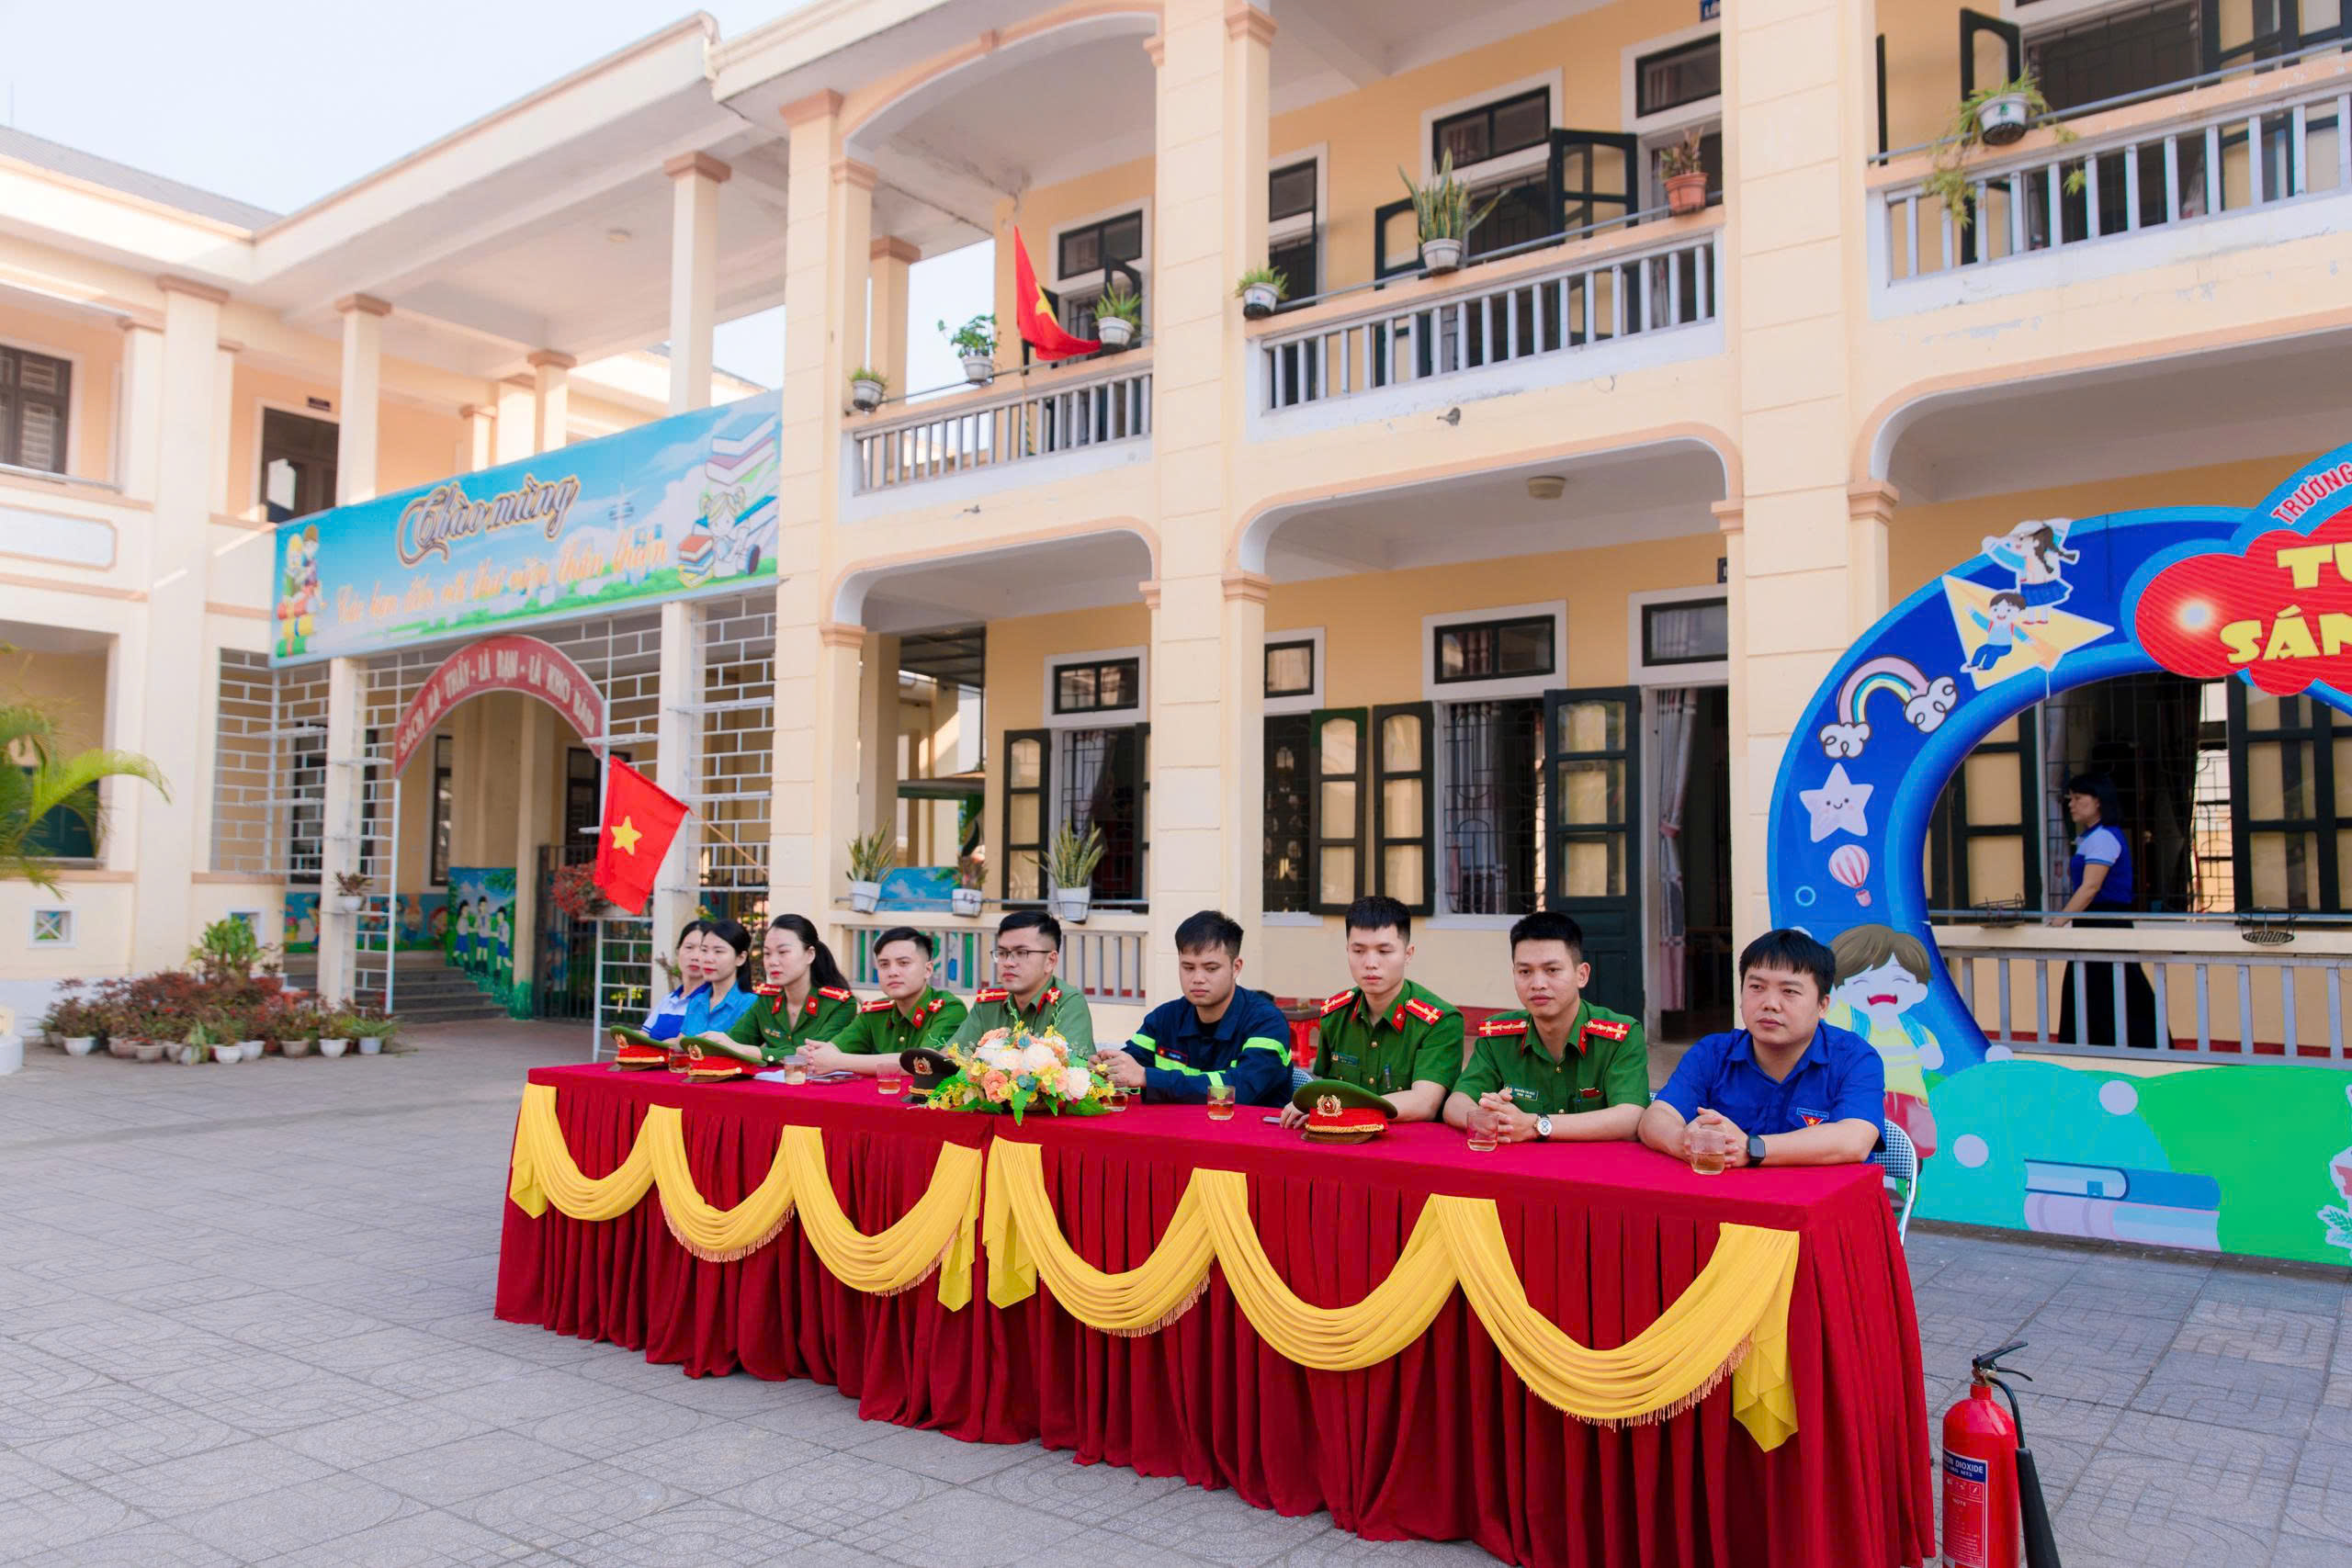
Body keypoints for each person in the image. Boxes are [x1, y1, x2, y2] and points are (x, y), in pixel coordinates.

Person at [1638, 929, 1884, 1168]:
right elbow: (1656, 1118)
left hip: (1823, 1194)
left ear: (1822, 1005)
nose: (1770, 1004)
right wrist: (1683, 1142)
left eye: (1789, 991)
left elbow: (1855, 1139)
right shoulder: (1712, 1053)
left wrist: (1752, 1148)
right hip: (1730, 1193)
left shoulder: (1854, 1057)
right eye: (1757, 987)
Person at [1443, 911, 1647, 1145]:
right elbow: (1456, 1103)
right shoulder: (1498, 1035)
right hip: (1520, 1164)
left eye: (1552, 970)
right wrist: (1492, 1120)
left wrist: (1534, 1125)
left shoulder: (1621, 1036)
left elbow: (1631, 1116)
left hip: (1594, 1164)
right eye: (1525, 972)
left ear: (1582, 975)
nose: (1538, 984)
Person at [1283, 895, 1460, 1127]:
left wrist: (1331, 1108)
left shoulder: (1439, 1021)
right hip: (1344, 1140)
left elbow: (1424, 1103)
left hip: (1409, 1143)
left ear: (1408, 954)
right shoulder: (1336, 1014)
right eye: (1358, 951)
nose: (1370, 963)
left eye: (1384, 951)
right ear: (1347, 950)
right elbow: (1329, 1084)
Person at [1094, 909, 1292, 1106]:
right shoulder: (1163, 1018)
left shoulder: (1267, 1022)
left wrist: (1147, 1077)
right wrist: (1106, 1069)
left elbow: (1240, 1089)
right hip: (1175, 1126)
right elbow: (1130, 1072)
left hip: (1247, 1127)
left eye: (1211, 968)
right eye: (1188, 967)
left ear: (1236, 967)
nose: (1198, 978)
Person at [2052, 772, 2160, 1048]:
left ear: (2098, 801)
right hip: (2092, 922)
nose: (2072, 804)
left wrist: (2058, 922)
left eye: (2078, 798)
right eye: (2070, 799)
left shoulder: (2103, 837)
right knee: (2095, 992)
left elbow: (2090, 887)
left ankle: (2134, 1049)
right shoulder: (2090, 837)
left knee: (2115, 991)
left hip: (2105, 922)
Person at [804, 927, 967, 1077]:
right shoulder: (875, 1013)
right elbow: (835, 1048)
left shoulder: (949, 1009)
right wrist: (813, 1054)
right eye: (884, 965)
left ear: (928, 970)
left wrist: (837, 1061)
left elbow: (922, 1063)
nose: (892, 972)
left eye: (903, 963)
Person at [699, 914, 857, 1064]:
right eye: (767, 953)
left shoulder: (839, 1004)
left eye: (783, 952)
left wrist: (750, 1051)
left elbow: (810, 1056)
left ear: (810, 954)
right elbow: (734, 1041)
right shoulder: (767, 1000)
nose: (773, 961)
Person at [948, 910, 1095, 1053]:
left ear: (1050, 961)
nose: (1008, 963)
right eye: (1002, 953)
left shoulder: (1066, 1003)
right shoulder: (989, 1002)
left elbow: (1070, 1066)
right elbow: (951, 1056)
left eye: (1021, 953)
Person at [644, 919, 757, 1042]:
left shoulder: (752, 1005)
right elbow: (681, 1044)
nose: (708, 958)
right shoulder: (696, 1002)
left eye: (718, 951)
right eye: (704, 950)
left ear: (740, 958)